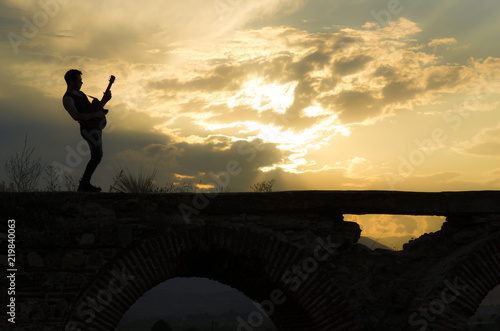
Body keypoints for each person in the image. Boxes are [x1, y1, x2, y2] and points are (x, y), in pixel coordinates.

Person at [62, 69, 112, 192]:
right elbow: (76, 116)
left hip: (95, 127)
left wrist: (105, 100)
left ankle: (84, 184)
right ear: (71, 82)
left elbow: (91, 110)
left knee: (97, 155)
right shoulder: (68, 99)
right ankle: (84, 184)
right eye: (79, 80)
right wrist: (95, 114)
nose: (82, 83)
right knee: (97, 155)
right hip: (87, 129)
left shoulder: (82, 95)